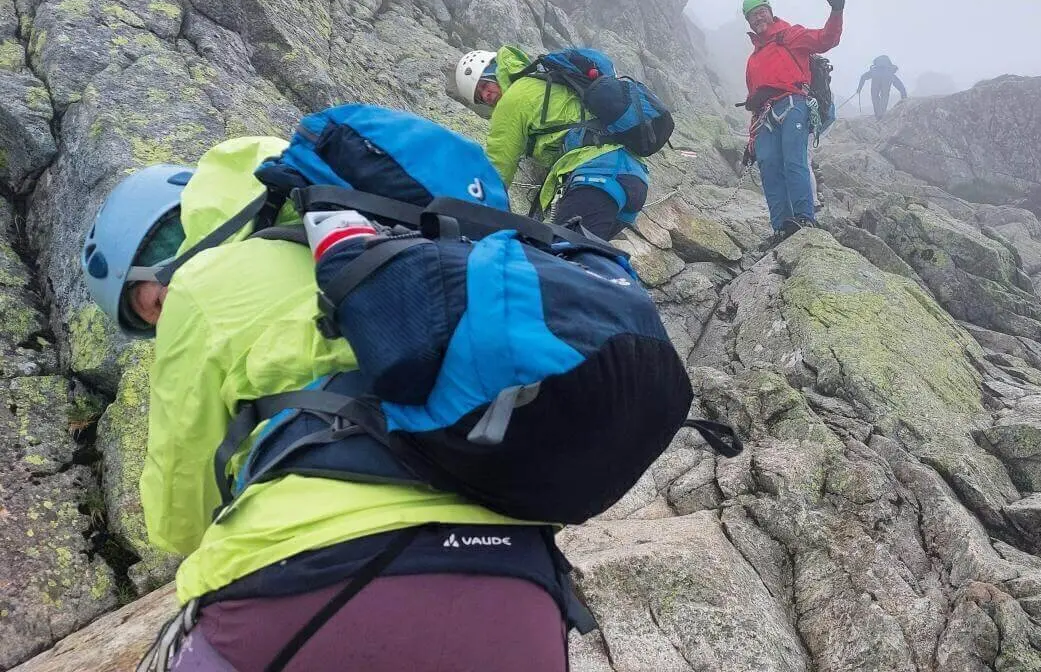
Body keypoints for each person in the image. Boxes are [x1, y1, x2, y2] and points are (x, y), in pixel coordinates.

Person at [83, 135, 582, 671]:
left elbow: (181, 513)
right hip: (524, 589)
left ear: (163, 254)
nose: (161, 324)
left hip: (316, 581)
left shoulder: (201, 287)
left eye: (152, 307)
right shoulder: (401, 243)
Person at [455, 46, 649, 240]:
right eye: (480, 98)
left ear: (494, 71)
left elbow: (498, 167)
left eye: (484, 85)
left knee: (562, 252)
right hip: (632, 179)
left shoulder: (513, 98)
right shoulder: (541, 80)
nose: (486, 96)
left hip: (599, 177)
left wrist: (469, 214)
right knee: (582, 256)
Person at [741, 0, 847, 240]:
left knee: (794, 161)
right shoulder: (752, 60)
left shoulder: (790, 36)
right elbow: (754, 103)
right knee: (769, 167)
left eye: (761, 11)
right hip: (765, 116)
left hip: (793, 104)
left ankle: (804, 219)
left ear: (770, 12)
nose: (758, 17)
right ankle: (781, 227)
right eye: (752, 15)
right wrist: (751, 141)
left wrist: (836, 10)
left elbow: (826, 39)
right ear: (749, 22)